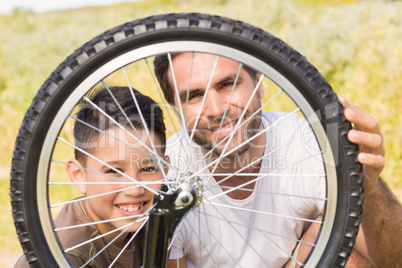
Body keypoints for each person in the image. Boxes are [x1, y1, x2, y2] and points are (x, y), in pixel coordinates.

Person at [153, 52, 402, 267]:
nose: (217, 109)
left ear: (259, 84)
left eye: (228, 84)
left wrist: (367, 190)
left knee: (346, 247)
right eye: (193, 96)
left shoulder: (306, 142)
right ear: (175, 110)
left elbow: (394, 262)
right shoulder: (162, 173)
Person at [15, 86, 168, 267]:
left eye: (148, 169)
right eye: (114, 171)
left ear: (165, 169)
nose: (134, 190)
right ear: (79, 176)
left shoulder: (155, 222)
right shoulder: (63, 258)